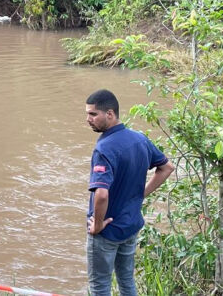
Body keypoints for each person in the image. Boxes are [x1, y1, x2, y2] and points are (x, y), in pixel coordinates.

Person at [84, 89, 175, 296]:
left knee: (100, 288)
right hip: (131, 226)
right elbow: (166, 168)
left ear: (110, 114)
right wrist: (140, 194)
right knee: (127, 282)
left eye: (93, 114)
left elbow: (102, 194)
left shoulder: (104, 148)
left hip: (107, 232)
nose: (88, 119)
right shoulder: (139, 139)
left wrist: (97, 225)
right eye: (88, 114)